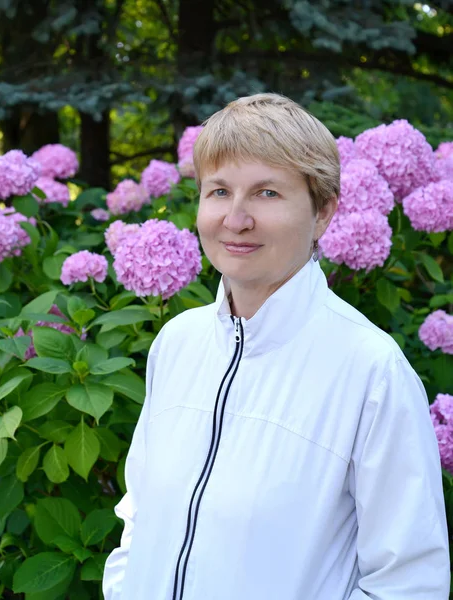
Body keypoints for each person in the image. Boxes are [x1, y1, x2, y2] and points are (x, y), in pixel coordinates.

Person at [103, 93, 450, 600]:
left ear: (324, 211)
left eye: (267, 193)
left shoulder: (371, 371)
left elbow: (408, 584)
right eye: (219, 191)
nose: (236, 219)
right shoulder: (177, 343)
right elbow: (140, 516)